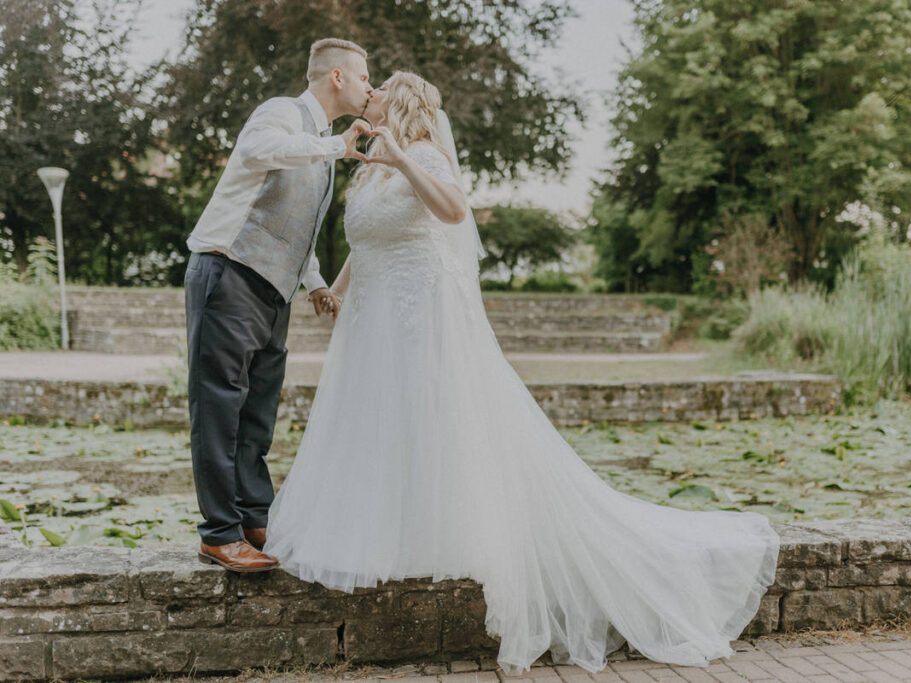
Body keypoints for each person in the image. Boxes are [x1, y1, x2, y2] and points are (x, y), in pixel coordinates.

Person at [264, 71, 780, 674]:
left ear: (400, 104)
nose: (369, 93)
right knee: (380, 423)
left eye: (379, 90)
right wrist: (338, 289)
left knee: (426, 416)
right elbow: (371, 236)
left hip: (416, 316)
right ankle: (398, 536)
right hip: (370, 316)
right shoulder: (372, 160)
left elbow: (454, 212)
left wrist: (404, 158)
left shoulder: (420, 153)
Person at [183, 38, 373, 571]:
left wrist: (315, 282)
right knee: (219, 404)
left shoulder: (326, 144)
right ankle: (218, 534)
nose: (368, 87)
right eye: (363, 77)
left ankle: (252, 518)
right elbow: (255, 152)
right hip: (229, 271)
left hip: (275, 288)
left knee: (258, 411)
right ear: (337, 77)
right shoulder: (281, 114)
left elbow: (299, 229)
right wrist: (336, 148)